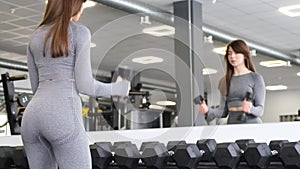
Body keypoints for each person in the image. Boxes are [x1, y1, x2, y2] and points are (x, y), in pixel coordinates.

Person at [21, 0, 130, 169]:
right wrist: (118, 88)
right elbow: (85, 85)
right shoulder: (79, 33)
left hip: (32, 117)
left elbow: (35, 87)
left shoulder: (35, 36)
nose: (81, 10)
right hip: (62, 114)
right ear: (72, 5)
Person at [198, 39, 266, 124]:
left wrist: (250, 109)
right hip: (232, 124)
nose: (232, 56)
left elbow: (260, 110)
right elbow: (223, 112)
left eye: (236, 53)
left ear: (244, 55)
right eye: (229, 53)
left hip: (252, 124)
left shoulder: (255, 78)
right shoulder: (224, 81)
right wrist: (208, 110)